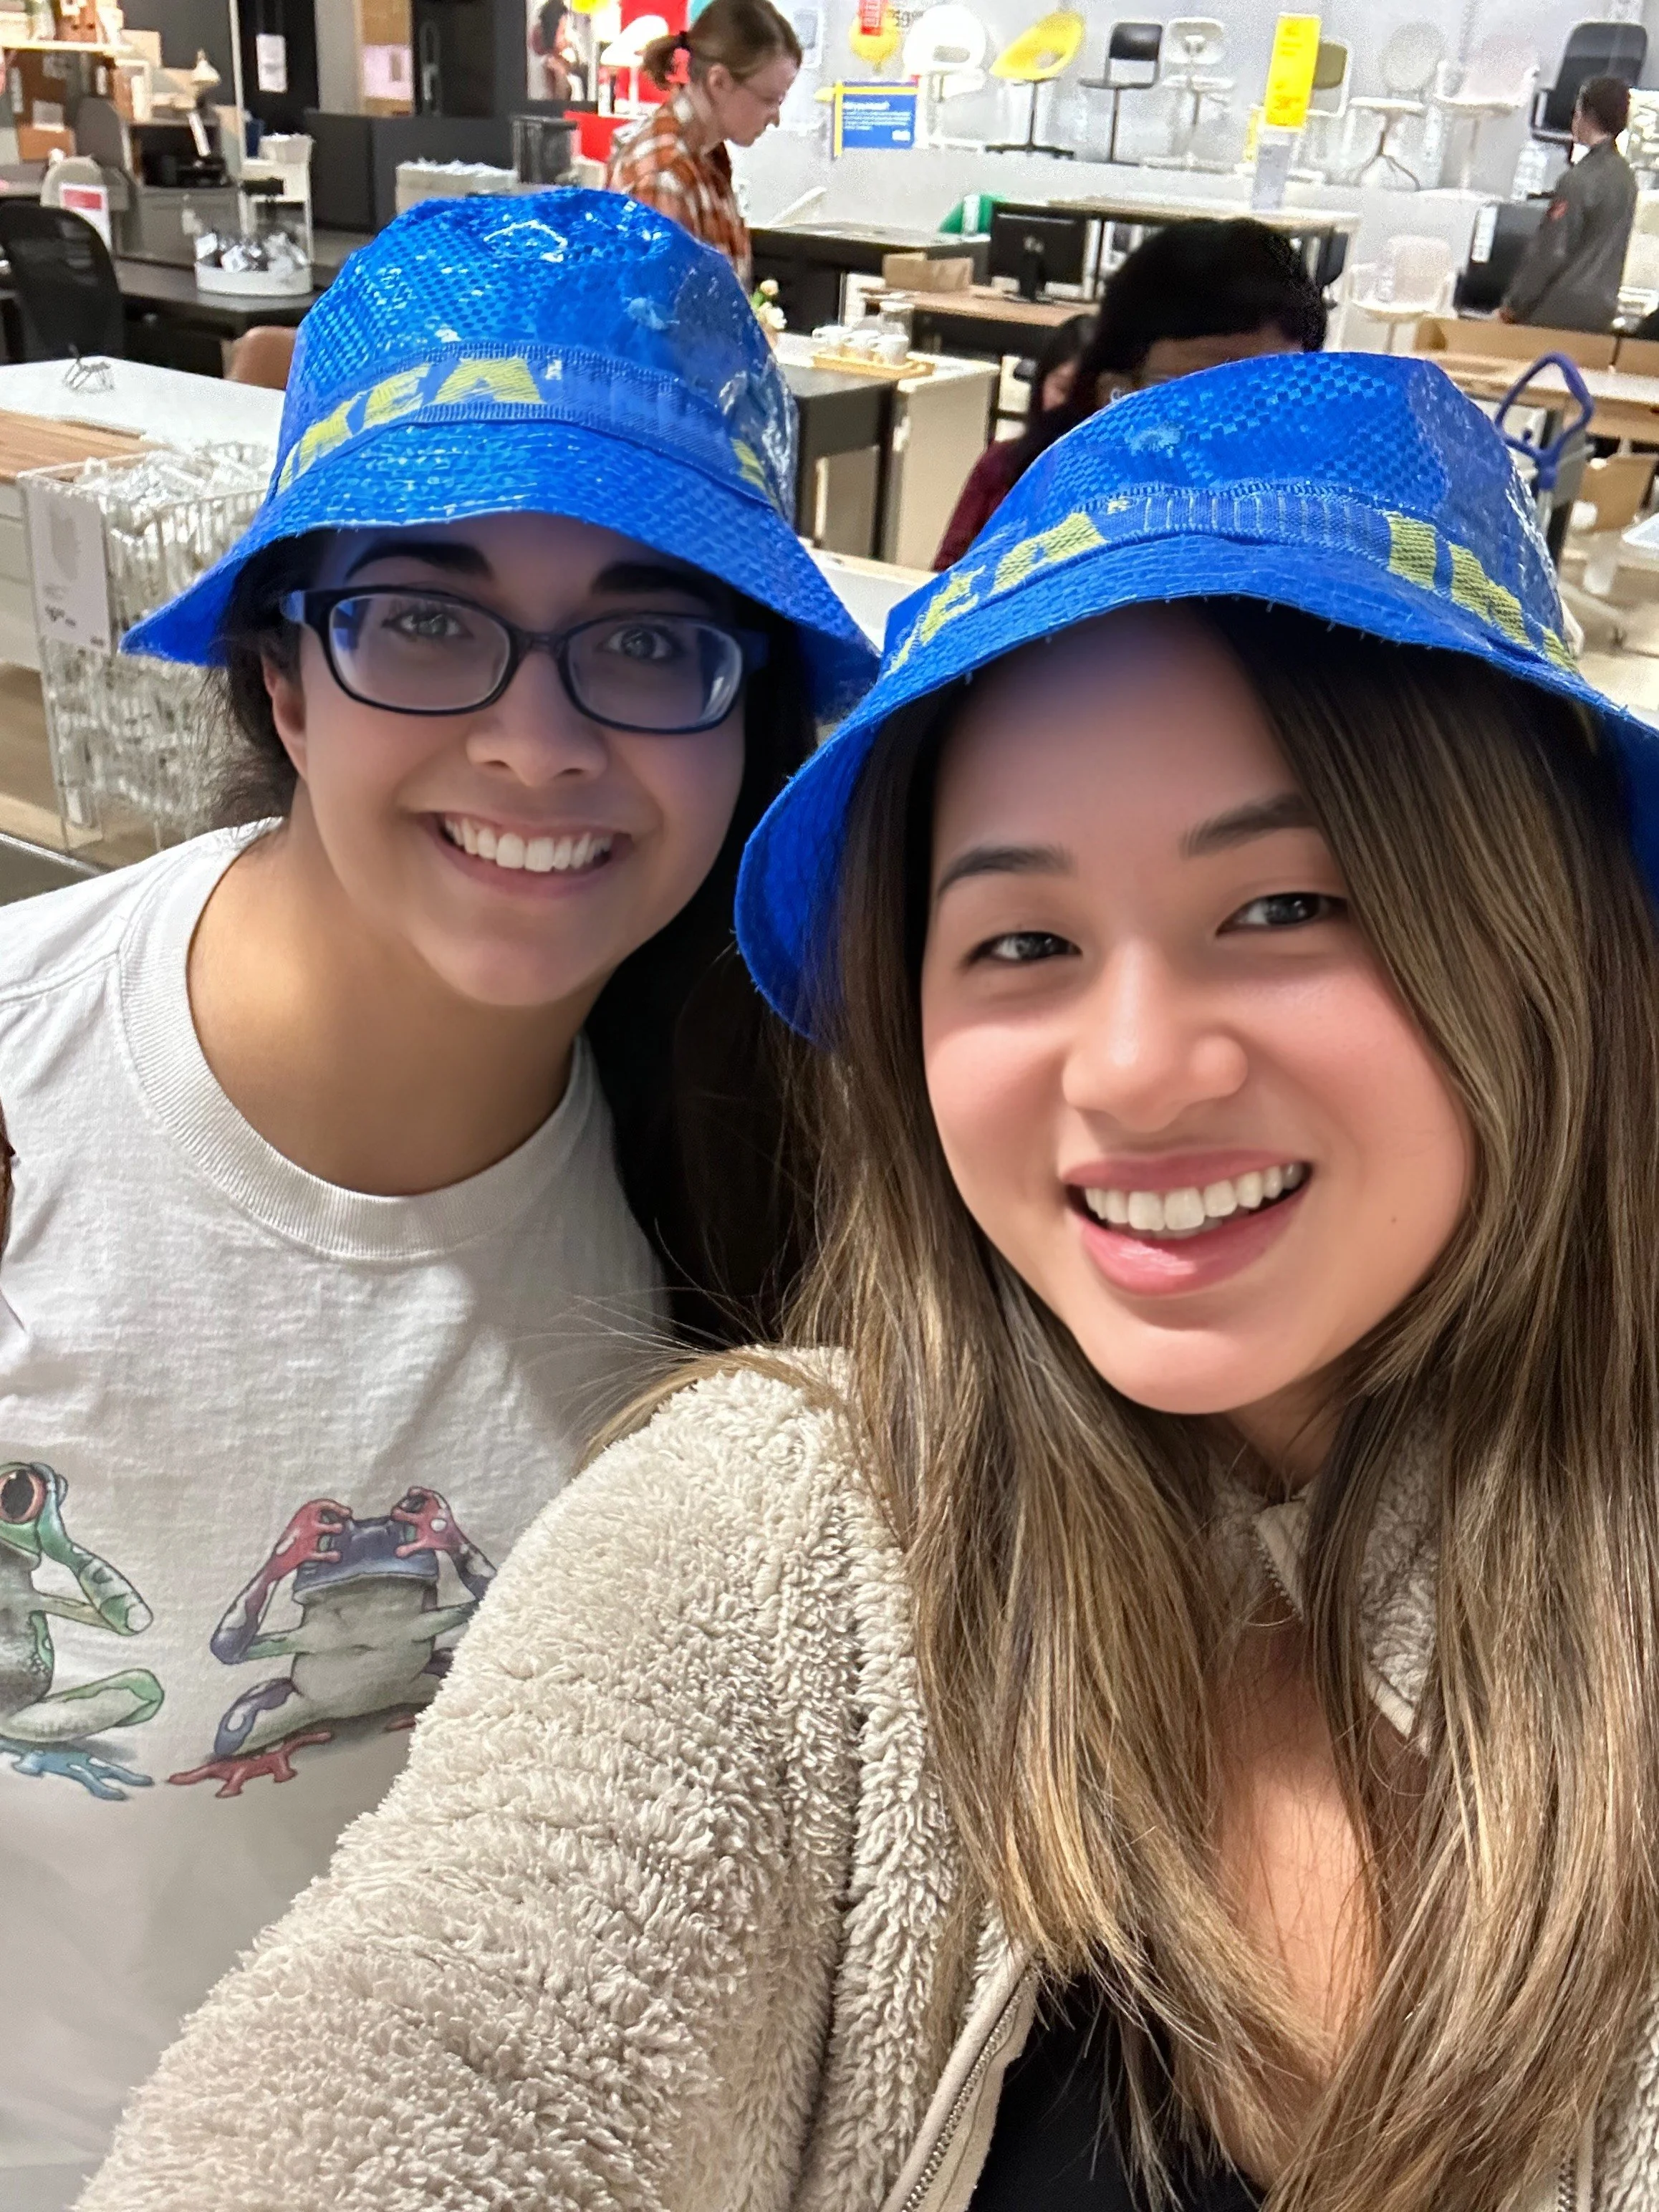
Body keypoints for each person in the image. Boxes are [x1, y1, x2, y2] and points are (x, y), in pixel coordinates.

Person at [77, 354, 1659, 2212]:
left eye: (1285, 907)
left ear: (1530, 931)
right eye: (1021, 938)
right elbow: (436, 2058)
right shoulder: (782, 1540)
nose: (1136, 1068)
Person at [0, 187, 873, 2208]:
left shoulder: (779, 1189)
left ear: (752, 734)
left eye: (652, 640)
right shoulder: (33, 1099)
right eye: (423, 613)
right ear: (283, 679)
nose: (538, 736)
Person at [934, 218, 1325, 567]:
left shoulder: (1323, 511)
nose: (1235, 427)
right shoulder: (1035, 488)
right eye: (1193, 397)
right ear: (1117, 394)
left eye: (1276, 394)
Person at [605, 0, 799, 288]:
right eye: (770, 100)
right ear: (719, 82)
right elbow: (657, 325)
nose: (776, 118)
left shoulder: (707, 156)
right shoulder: (663, 177)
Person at [933, 312, 1091, 569]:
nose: (1071, 407)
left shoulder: (1119, 486)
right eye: (1062, 389)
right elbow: (948, 562)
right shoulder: (999, 463)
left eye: (1084, 395)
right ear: (1041, 384)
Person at [1500, 74, 1637, 333]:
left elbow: (1550, 252)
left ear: (1585, 114)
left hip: (1556, 312)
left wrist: (1513, 305)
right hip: (1600, 313)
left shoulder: (1576, 181)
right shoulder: (1627, 179)